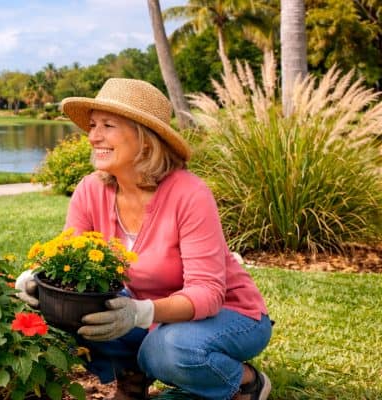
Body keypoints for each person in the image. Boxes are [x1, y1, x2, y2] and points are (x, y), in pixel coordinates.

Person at [16, 78, 272, 400]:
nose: (93, 136)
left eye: (108, 125)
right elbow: (70, 264)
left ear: (146, 139)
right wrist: (38, 280)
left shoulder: (189, 194)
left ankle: (247, 383)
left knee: (166, 348)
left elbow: (207, 294)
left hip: (230, 315)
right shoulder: (91, 190)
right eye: (93, 125)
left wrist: (138, 313)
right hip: (150, 312)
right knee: (73, 312)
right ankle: (132, 379)